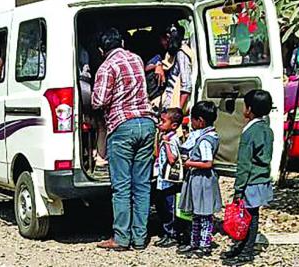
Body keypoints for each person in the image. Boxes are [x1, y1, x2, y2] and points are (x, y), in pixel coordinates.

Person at [93, 28, 156, 251]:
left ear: (101, 50)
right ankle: (140, 238)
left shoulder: (106, 67)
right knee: (142, 185)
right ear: (121, 42)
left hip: (122, 127)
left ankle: (121, 238)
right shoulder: (136, 59)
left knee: (122, 187)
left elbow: (98, 100)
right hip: (147, 124)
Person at [222, 90, 274, 266]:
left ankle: (246, 252)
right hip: (262, 179)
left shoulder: (249, 132)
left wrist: (238, 188)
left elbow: (244, 164)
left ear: (249, 109)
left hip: (251, 181)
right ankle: (243, 248)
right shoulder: (267, 129)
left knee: (248, 219)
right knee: (251, 216)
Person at [176, 101, 222, 258]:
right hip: (198, 181)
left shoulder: (205, 141)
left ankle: (204, 245)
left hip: (203, 181)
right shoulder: (210, 135)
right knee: (197, 213)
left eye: (193, 120)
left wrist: (188, 163)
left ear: (200, 121)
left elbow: (208, 163)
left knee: (204, 215)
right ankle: (195, 243)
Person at [154, 108, 183, 248]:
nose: (160, 123)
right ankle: (166, 232)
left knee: (170, 208)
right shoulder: (165, 136)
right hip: (162, 179)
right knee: (162, 206)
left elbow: (172, 159)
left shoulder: (172, 140)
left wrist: (165, 143)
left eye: (163, 121)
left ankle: (172, 234)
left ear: (174, 126)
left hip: (169, 181)